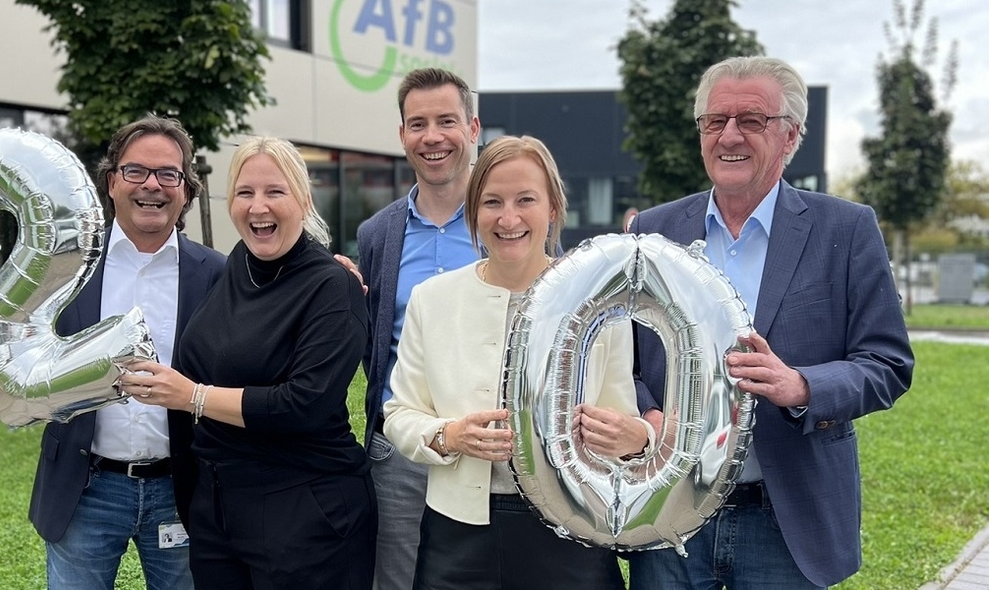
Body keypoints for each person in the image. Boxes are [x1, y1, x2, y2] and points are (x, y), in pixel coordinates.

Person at [626, 56, 914, 589]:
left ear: (790, 135)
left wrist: (802, 386)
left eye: (752, 120)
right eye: (715, 121)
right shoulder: (652, 230)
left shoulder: (846, 229)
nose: (729, 135)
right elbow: (626, 359)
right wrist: (648, 412)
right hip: (669, 513)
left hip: (786, 522)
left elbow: (887, 363)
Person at [0, 115, 226, 590]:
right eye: (136, 171)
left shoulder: (218, 274)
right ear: (111, 181)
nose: (152, 185)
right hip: (85, 487)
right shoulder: (63, 262)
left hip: (182, 489)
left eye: (169, 174)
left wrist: (330, 273)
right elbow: (16, 343)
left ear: (186, 190)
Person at [383, 135, 650, 590]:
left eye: (526, 199)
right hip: (457, 532)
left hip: (572, 528)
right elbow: (399, 414)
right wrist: (450, 435)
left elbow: (621, 422)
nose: (508, 219)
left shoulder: (600, 306)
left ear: (553, 208)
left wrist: (633, 436)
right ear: (473, 212)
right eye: (492, 202)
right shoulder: (432, 300)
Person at [120, 137, 375, 590]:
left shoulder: (333, 287)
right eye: (245, 192)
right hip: (218, 510)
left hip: (305, 511)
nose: (259, 207)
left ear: (303, 199)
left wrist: (193, 397)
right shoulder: (236, 265)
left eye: (275, 191)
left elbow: (305, 404)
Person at [356, 67, 481, 590]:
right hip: (399, 455)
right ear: (402, 134)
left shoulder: (512, 224)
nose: (432, 137)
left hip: (488, 453)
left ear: (472, 128)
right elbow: (371, 339)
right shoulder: (377, 235)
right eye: (418, 124)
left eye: (446, 121)